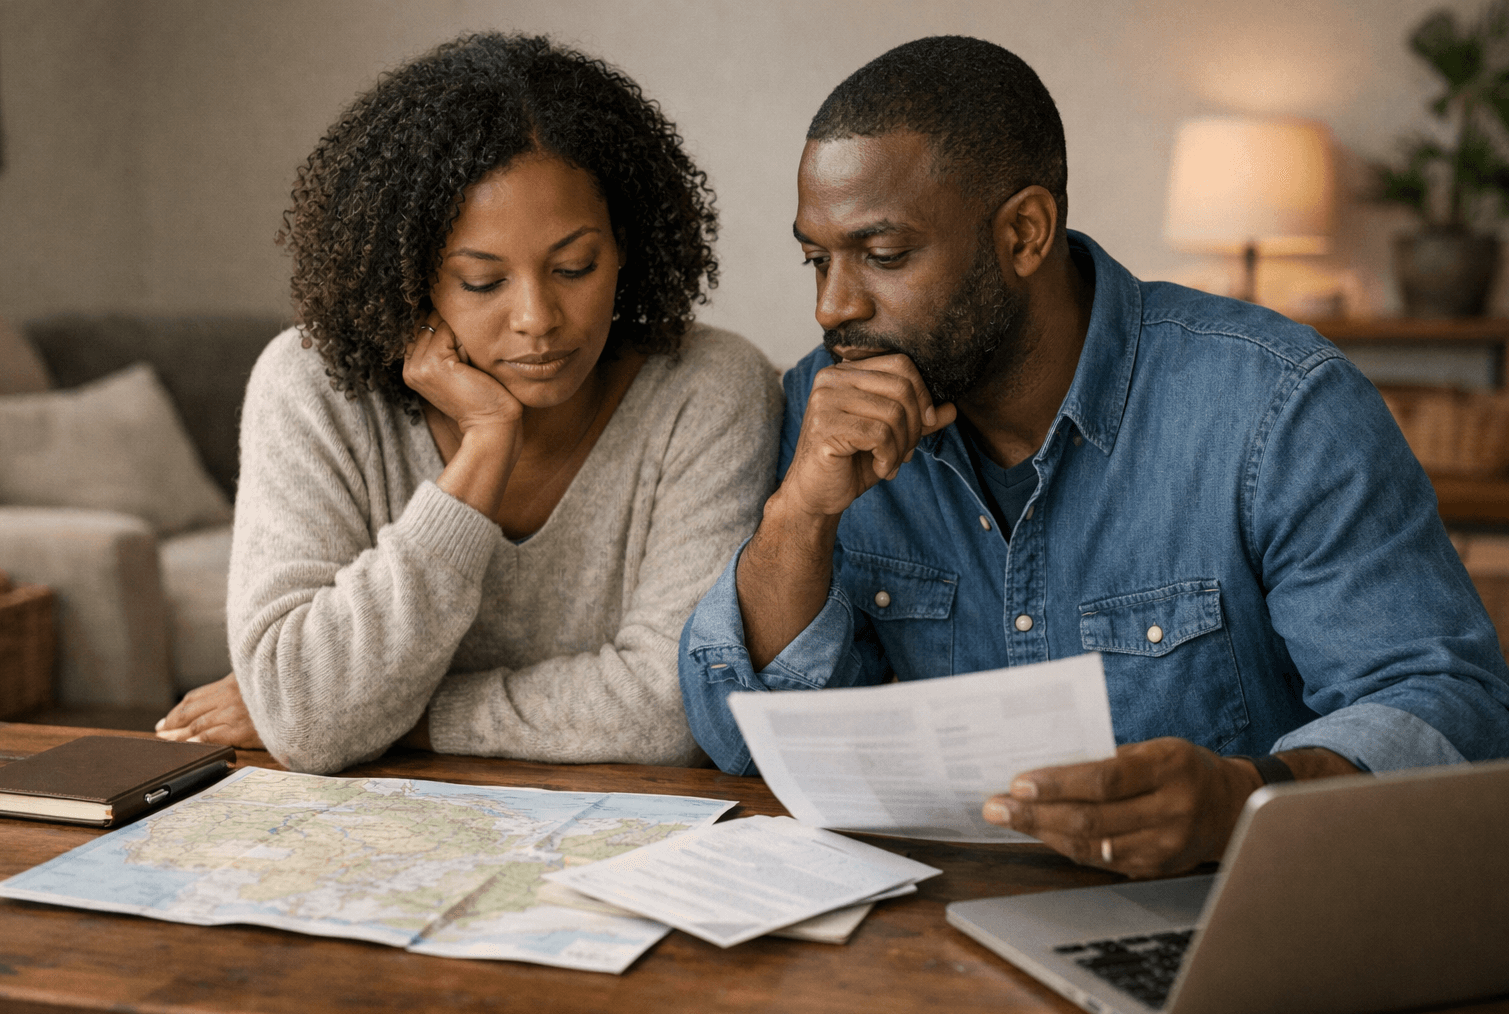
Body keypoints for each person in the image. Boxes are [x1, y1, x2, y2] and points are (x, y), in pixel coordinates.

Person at [678, 36, 1509, 878]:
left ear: (1026, 233)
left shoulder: (1277, 407)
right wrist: (799, 514)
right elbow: (741, 741)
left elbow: (1448, 708)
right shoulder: (833, 408)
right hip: (941, 940)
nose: (832, 307)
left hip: (1223, 924)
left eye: (883, 257)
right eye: (817, 260)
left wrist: (1243, 802)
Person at [156, 33, 781, 774]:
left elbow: (673, 712)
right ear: (409, 278)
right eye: (483, 282)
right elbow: (307, 718)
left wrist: (400, 715)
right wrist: (486, 445)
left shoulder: (709, 389)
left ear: (627, 249)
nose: (538, 318)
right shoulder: (311, 387)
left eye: (575, 266)